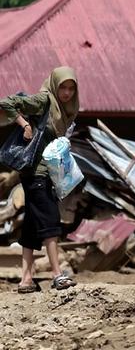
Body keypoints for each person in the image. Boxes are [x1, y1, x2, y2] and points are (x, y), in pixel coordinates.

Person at [0, 67, 79, 293]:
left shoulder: (67, 110)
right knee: (51, 220)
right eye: (62, 87)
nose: (66, 93)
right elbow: (7, 102)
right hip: (36, 172)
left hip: (49, 173)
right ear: (54, 85)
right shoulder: (44, 100)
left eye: (71, 88)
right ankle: (57, 275)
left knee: (33, 225)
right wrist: (25, 125)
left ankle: (26, 279)